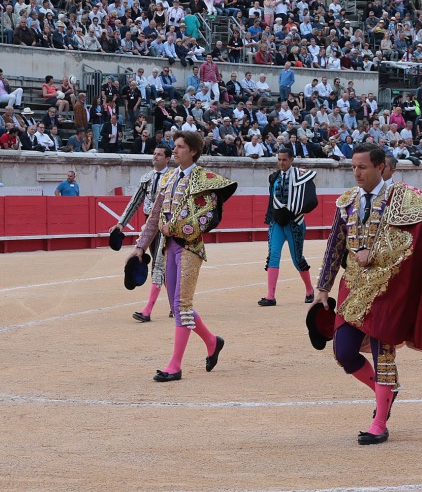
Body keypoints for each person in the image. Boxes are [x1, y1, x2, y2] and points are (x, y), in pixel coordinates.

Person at [315, 143, 422, 445]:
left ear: (380, 167)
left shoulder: (403, 198)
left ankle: (379, 422)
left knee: (384, 354)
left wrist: (376, 253)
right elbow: (335, 245)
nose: (356, 173)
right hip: (354, 286)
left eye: (363, 167)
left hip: (390, 286)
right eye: (353, 167)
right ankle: (386, 393)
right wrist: (322, 288)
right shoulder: (346, 202)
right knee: (343, 351)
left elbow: (414, 235)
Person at [130, 131, 237, 382]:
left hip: (190, 248)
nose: (175, 150)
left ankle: (175, 365)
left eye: (179, 147)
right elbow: (155, 216)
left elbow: (206, 217)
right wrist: (140, 246)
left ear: (193, 151)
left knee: (182, 305)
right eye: (174, 146)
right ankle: (212, 341)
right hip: (168, 248)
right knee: (178, 308)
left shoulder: (204, 179)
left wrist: (174, 229)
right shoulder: (168, 179)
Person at [111, 145, 172, 323]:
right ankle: (176, 306)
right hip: (149, 224)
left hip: (166, 225)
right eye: (154, 154)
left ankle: (147, 310)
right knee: (164, 268)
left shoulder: (173, 178)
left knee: (159, 265)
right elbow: (134, 202)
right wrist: (121, 223)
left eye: (159, 154)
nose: (155, 157)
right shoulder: (147, 178)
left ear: (168, 159)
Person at [260, 146, 318, 306]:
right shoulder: (274, 177)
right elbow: (271, 202)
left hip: (295, 222)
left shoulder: (302, 176)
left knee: (297, 258)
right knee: (273, 255)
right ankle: (270, 296)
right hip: (277, 222)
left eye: (284, 160)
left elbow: (310, 200)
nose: (281, 163)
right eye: (279, 160)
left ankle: (309, 290)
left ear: (292, 160)